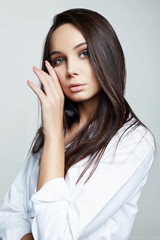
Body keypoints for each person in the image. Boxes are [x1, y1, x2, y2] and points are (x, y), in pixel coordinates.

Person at [0, 8, 155, 240]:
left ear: (107, 54)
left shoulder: (133, 140)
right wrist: (52, 133)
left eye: (85, 53)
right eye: (59, 60)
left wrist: (52, 134)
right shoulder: (57, 128)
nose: (71, 70)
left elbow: (56, 237)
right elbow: (10, 214)